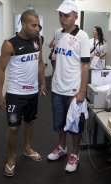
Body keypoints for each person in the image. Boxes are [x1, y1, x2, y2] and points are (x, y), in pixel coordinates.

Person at [0, 10, 47, 177]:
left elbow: (40, 63)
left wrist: (43, 82)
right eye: (33, 25)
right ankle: (12, 157)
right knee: (13, 128)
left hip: (32, 92)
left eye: (38, 25)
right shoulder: (9, 44)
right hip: (15, 94)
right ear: (23, 24)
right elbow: (1, 71)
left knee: (30, 122)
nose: (37, 28)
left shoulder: (38, 40)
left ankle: (27, 148)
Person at [46, 0, 90, 173]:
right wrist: (56, 75)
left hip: (74, 91)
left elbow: (85, 65)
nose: (62, 19)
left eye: (67, 15)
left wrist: (82, 91)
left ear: (75, 16)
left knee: (74, 126)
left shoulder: (83, 36)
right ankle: (62, 148)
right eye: (60, 15)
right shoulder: (57, 33)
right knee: (59, 123)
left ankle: (75, 154)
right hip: (57, 88)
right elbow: (56, 55)